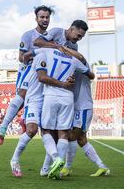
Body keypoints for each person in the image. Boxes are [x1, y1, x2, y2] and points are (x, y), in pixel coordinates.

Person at [35, 20, 109, 177]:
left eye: (81, 37)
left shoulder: (76, 58)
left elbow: (88, 70)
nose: (78, 39)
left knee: (71, 136)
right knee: (76, 137)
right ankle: (97, 166)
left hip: (82, 105)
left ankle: (63, 167)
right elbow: (38, 42)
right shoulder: (62, 50)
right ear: (71, 29)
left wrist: (64, 50)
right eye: (78, 35)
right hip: (72, 102)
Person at [10, 47, 75, 177]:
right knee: (32, 130)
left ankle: (46, 168)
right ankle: (14, 159)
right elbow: (38, 76)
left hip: (49, 99)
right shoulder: (41, 55)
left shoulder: (57, 59)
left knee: (53, 134)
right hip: (35, 100)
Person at [0, 5, 54, 145]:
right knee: (22, 95)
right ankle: (3, 127)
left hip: (43, 71)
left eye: (47, 17)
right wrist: (35, 54)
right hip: (28, 70)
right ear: (36, 19)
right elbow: (21, 58)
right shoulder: (28, 35)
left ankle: (24, 120)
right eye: (42, 17)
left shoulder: (51, 36)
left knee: (40, 99)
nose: (45, 19)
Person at [36, 47, 95, 179]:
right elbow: (91, 75)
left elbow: (30, 55)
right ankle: (55, 170)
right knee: (63, 133)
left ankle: (56, 158)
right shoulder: (74, 60)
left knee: (46, 131)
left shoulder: (48, 52)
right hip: (68, 98)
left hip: (51, 95)